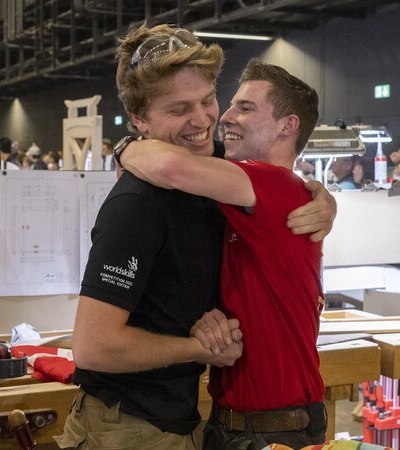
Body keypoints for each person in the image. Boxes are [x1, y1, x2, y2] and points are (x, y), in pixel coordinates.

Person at [55, 24, 335, 450]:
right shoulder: (137, 203)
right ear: (139, 119)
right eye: (179, 108)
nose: (205, 120)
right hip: (128, 424)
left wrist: (325, 198)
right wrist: (198, 348)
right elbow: (94, 347)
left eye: (207, 100)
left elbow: (274, 182)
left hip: (186, 416)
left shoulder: (216, 172)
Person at [120, 58, 327, 449]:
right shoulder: (246, 193)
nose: (226, 116)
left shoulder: (276, 185)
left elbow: (167, 165)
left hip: (276, 431)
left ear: (288, 126)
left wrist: (127, 146)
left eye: (246, 108)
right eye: (230, 104)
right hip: (238, 422)